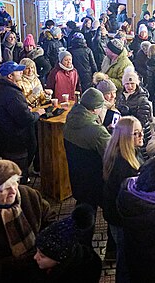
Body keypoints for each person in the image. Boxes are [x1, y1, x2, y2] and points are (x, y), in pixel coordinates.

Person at [0, 61, 46, 183]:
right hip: (15, 141)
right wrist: (37, 113)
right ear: (10, 76)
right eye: (18, 71)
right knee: (19, 172)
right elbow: (26, 119)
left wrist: (24, 109)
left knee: (9, 169)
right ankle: (20, 190)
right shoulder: (13, 93)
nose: (21, 72)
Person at [102, 116, 145, 282]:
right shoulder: (123, 165)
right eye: (136, 133)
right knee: (125, 260)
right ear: (125, 137)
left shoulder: (126, 152)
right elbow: (130, 199)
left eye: (141, 131)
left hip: (117, 216)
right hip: (122, 220)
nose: (141, 135)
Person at [63, 87, 111, 215]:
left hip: (76, 177)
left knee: (83, 209)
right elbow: (111, 154)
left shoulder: (70, 120)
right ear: (95, 109)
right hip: (95, 182)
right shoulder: (98, 132)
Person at [33, 205, 102, 282]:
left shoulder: (84, 273)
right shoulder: (37, 266)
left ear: (60, 259)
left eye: (42, 256)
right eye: (37, 251)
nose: (35, 257)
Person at [117, 70, 153, 147]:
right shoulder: (120, 96)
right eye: (127, 84)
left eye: (132, 83)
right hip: (125, 133)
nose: (130, 86)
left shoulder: (142, 99)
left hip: (139, 135)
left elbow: (142, 120)